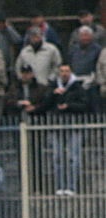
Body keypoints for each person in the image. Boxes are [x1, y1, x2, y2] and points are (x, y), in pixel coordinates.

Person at [39, 63, 89, 195]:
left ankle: (72, 187)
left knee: (74, 158)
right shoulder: (53, 86)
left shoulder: (78, 87)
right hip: (57, 125)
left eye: (67, 71)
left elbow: (85, 105)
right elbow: (44, 105)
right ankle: (59, 186)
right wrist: (52, 94)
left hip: (74, 126)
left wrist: (69, 106)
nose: (64, 74)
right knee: (58, 158)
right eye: (62, 71)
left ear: (71, 72)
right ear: (58, 73)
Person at [67, 26, 102, 112]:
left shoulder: (98, 49)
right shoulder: (73, 49)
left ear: (91, 36)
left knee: (94, 106)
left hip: (92, 83)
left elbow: (99, 65)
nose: (84, 38)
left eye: (87, 35)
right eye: (82, 35)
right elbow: (69, 63)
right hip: (76, 81)